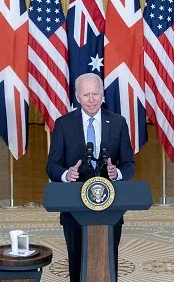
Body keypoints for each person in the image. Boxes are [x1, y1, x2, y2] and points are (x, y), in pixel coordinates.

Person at [46, 73, 135, 282]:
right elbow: (51, 166)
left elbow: (129, 164)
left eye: (96, 93)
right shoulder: (63, 124)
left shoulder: (118, 123)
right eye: (86, 95)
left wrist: (118, 173)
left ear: (103, 94)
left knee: (107, 259)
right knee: (77, 262)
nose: (92, 99)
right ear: (77, 97)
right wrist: (67, 175)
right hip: (74, 207)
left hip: (110, 207)